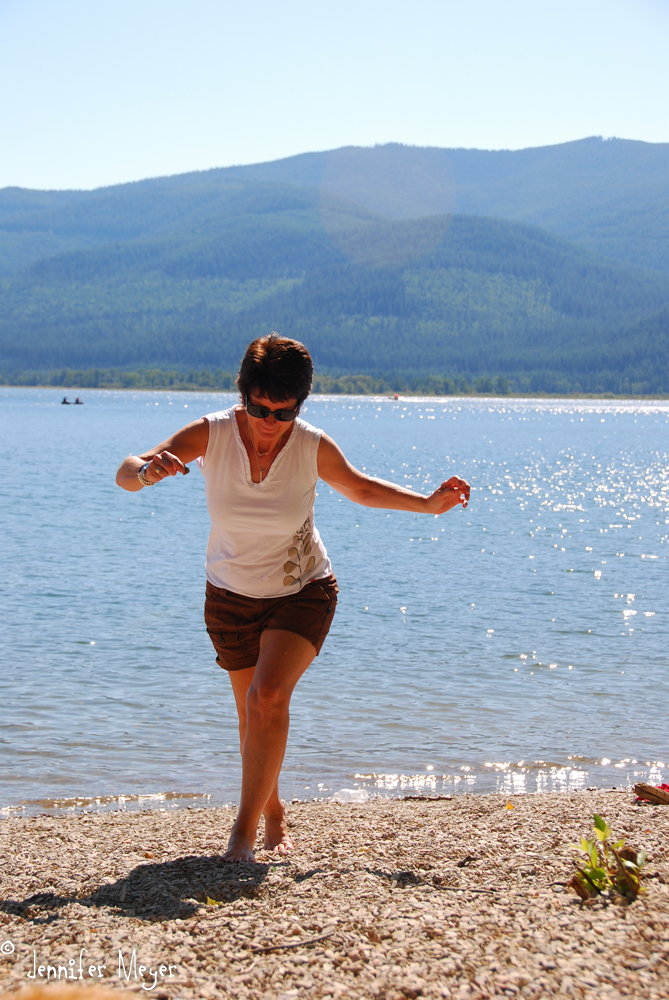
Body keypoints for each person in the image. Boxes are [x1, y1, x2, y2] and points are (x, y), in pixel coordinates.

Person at [116, 334, 470, 862]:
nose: (268, 421)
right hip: (230, 597)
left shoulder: (310, 444)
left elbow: (362, 490)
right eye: (258, 408)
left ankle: (241, 835)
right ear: (244, 395)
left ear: (300, 404)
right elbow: (125, 474)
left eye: (282, 412)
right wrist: (148, 472)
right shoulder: (210, 434)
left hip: (302, 589)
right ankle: (274, 812)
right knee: (250, 716)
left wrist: (427, 504)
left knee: (267, 698)